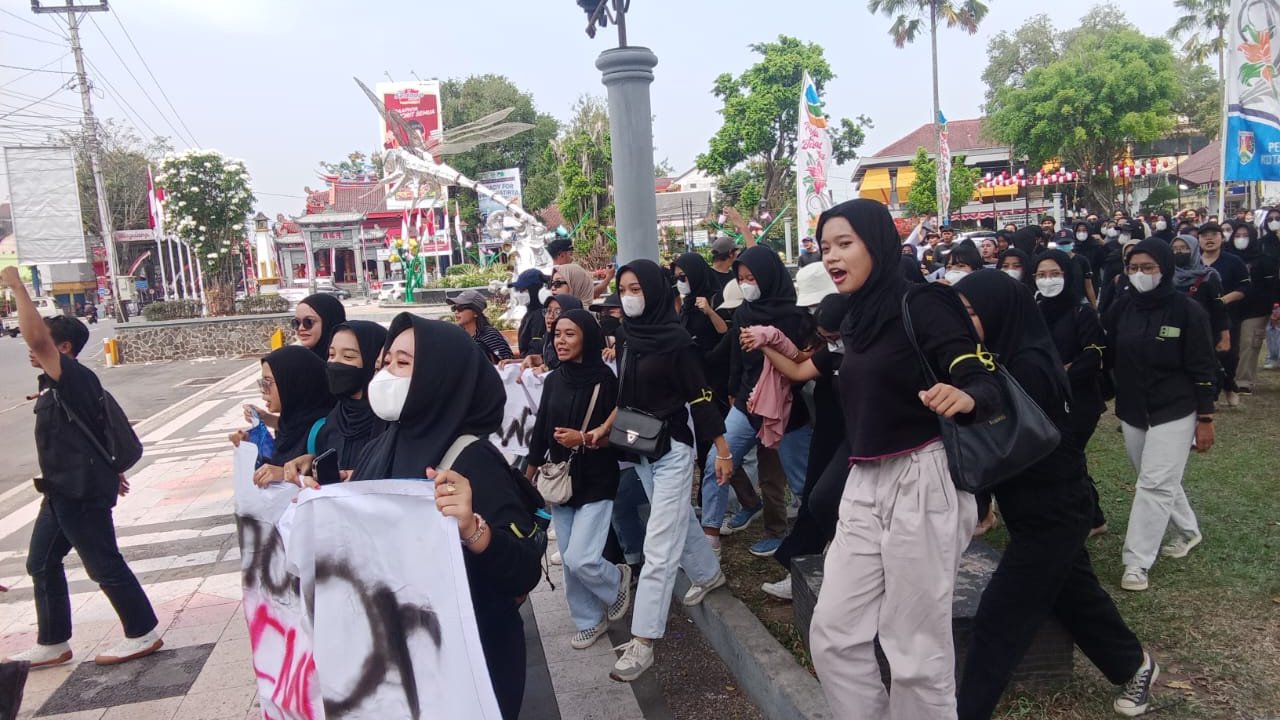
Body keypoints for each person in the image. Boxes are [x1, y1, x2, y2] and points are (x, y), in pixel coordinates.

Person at [808, 200, 1001, 719]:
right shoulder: (855, 317)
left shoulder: (924, 303)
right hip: (865, 479)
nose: (832, 256)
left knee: (915, 651)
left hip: (924, 477)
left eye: (845, 243)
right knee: (833, 634)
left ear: (878, 243)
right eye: (825, 247)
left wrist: (966, 396)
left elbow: (982, 378)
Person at [952, 269, 1160, 719]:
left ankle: (967, 712)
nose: (966, 322)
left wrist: (979, 496)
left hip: (1055, 510)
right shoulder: (1003, 355)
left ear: (997, 310)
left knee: (1000, 617)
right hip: (1037, 508)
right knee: (1074, 593)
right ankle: (1133, 665)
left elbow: (1008, 445)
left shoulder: (1026, 364)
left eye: (971, 312)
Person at [351, 315, 544, 719]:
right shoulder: (384, 444)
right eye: (386, 363)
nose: (387, 374)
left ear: (438, 377)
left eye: (403, 364)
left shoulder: (473, 459)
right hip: (398, 658)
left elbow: (523, 571)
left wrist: (473, 529)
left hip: (466, 665)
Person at [0, 266, 161, 668]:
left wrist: (17, 286)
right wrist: (112, 468)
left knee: (103, 562)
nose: (31, 348)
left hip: (80, 491)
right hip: (60, 489)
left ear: (64, 348)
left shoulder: (70, 375)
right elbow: (88, 429)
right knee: (40, 562)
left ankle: (142, 632)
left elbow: (36, 337)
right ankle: (53, 642)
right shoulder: (55, 384)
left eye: (44, 345)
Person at [584, 259, 733, 683]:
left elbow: (701, 401)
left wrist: (722, 452)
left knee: (660, 545)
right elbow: (625, 397)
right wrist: (602, 429)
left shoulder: (677, 342)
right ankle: (709, 573)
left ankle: (644, 641)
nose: (628, 297)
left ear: (654, 290)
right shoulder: (630, 337)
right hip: (641, 446)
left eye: (636, 288)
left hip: (672, 450)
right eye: (623, 288)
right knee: (678, 521)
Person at [1103, 239, 1216, 593]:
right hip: (1134, 409)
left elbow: (1203, 364)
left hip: (1176, 408)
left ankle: (1136, 561)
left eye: (1148, 267)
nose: (1140, 274)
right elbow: (1108, 354)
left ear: (1165, 268)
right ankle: (1189, 530)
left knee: (1152, 484)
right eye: (1134, 267)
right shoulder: (1122, 308)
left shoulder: (1188, 310)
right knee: (1155, 477)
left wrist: (1206, 417)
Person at [526, 310, 630, 650]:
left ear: (587, 336)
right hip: (561, 480)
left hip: (597, 478)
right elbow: (542, 428)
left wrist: (582, 438)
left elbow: (619, 434)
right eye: (557, 334)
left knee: (580, 557)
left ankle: (615, 581)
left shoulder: (607, 381)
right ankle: (589, 620)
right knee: (570, 562)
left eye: (569, 334)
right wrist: (527, 476)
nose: (561, 340)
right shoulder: (555, 378)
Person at [704, 246, 814, 558]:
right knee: (719, 460)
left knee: (796, 479)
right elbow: (738, 358)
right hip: (747, 405)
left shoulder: (796, 317)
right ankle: (710, 535)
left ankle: (806, 542)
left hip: (788, 410)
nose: (747, 285)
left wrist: (771, 343)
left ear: (768, 277)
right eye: (742, 279)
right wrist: (735, 390)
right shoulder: (744, 314)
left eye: (752, 278)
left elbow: (802, 368)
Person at [756, 294, 849, 600]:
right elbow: (797, 370)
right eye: (823, 336)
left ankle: (837, 564)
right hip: (828, 434)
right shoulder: (832, 352)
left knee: (829, 502)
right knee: (814, 498)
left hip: (861, 439)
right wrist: (767, 344)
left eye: (833, 336)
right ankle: (803, 567)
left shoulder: (869, 352)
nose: (828, 342)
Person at [1032, 251, 1108, 533]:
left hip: (1081, 401)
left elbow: (1094, 353)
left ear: (1068, 275)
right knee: (1067, 460)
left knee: (1069, 458)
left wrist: (1063, 372)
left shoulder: (1082, 311)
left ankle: (1084, 517)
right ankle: (1094, 517)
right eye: (1041, 275)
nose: (1048, 280)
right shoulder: (1034, 309)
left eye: (1055, 274)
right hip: (1047, 399)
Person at [279, 321, 388, 486]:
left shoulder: (390, 423)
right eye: (331, 355)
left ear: (374, 360)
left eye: (348, 357)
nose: (336, 363)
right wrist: (312, 465)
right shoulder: (335, 420)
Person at [234, 346, 333, 487]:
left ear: (294, 383)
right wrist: (250, 443)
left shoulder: (325, 431)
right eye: (262, 382)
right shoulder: (290, 424)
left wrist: (283, 474)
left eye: (268, 382)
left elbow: (328, 486)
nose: (263, 390)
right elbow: (276, 461)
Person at [1201, 223, 1251, 406]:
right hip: (1201, 316)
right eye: (1204, 235)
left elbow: (1245, 287)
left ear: (1221, 238)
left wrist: (1223, 300)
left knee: (1228, 353)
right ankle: (1211, 394)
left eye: (1214, 234)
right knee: (1205, 354)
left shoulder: (1233, 261)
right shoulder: (1194, 261)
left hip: (1228, 314)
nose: (1209, 239)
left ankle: (1229, 386)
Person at [1229, 222, 1280, 395]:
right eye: (1237, 235)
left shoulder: (1264, 259)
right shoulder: (1228, 257)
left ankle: (1244, 381)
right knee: (1231, 344)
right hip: (1232, 307)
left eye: (1245, 236)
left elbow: (1273, 285)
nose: (1240, 239)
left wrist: (1274, 306)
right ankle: (1228, 378)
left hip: (1257, 308)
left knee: (1249, 343)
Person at [1170, 234, 1230, 357]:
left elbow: (1219, 308)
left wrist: (1225, 337)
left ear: (1194, 250)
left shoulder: (1208, 276)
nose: (1179, 252)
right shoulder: (1168, 276)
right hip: (1174, 331)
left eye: (1184, 248)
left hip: (1203, 332)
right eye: (1175, 249)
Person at [449, 290, 514, 364]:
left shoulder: (490, 335)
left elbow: (507, 363)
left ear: (476, 313)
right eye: (454, 308)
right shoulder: (458, 336)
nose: (456, 312)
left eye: (461, 308)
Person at [294, 293, 347, 360]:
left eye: (308, 322)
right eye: (296, 323)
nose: (300, 328)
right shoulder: (296, 358)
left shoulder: (344, 363)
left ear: (328, 323)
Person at [509, 268, 548, 358]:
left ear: (535, 290)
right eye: (517, 290)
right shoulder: (529, 314)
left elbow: (536, 351)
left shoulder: (540, 316)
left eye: (522, 290)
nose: (518, 294)